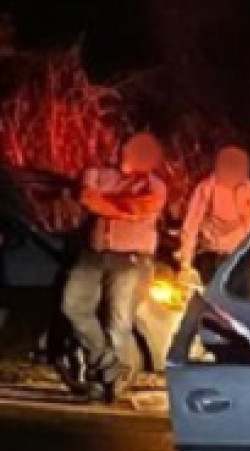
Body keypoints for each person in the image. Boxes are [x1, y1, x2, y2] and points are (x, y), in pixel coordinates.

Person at [63, 132, 168, 404]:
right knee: (73, 306)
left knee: (118, 322)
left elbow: (139, 209)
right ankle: (108, 364)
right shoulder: (97, 173)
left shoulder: (155, 185)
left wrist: (106, 203)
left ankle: (109, 383)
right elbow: (86, 197)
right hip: (94, 253)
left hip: (130, 259)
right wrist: (116, 203)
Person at [177, 145, 250, 280]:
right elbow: (191, 224)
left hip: (236, 258)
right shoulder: (207, 188)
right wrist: (185, 262)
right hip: (211, 255)